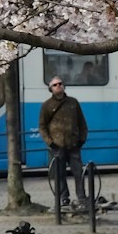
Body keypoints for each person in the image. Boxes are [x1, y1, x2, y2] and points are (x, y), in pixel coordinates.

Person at [39, 76, 88, 208]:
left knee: (79, 173)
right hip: (57, 146)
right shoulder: (46, 106)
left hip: (73, 145)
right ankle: (63, 198)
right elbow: (42, 126)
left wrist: (81, 140)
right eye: (55, 85)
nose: (58, 86)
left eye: (60, 83)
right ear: (51, 89)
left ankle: (82, 197)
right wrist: (50, 142)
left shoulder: (73, 102)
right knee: (59, 175)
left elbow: (82, 123)